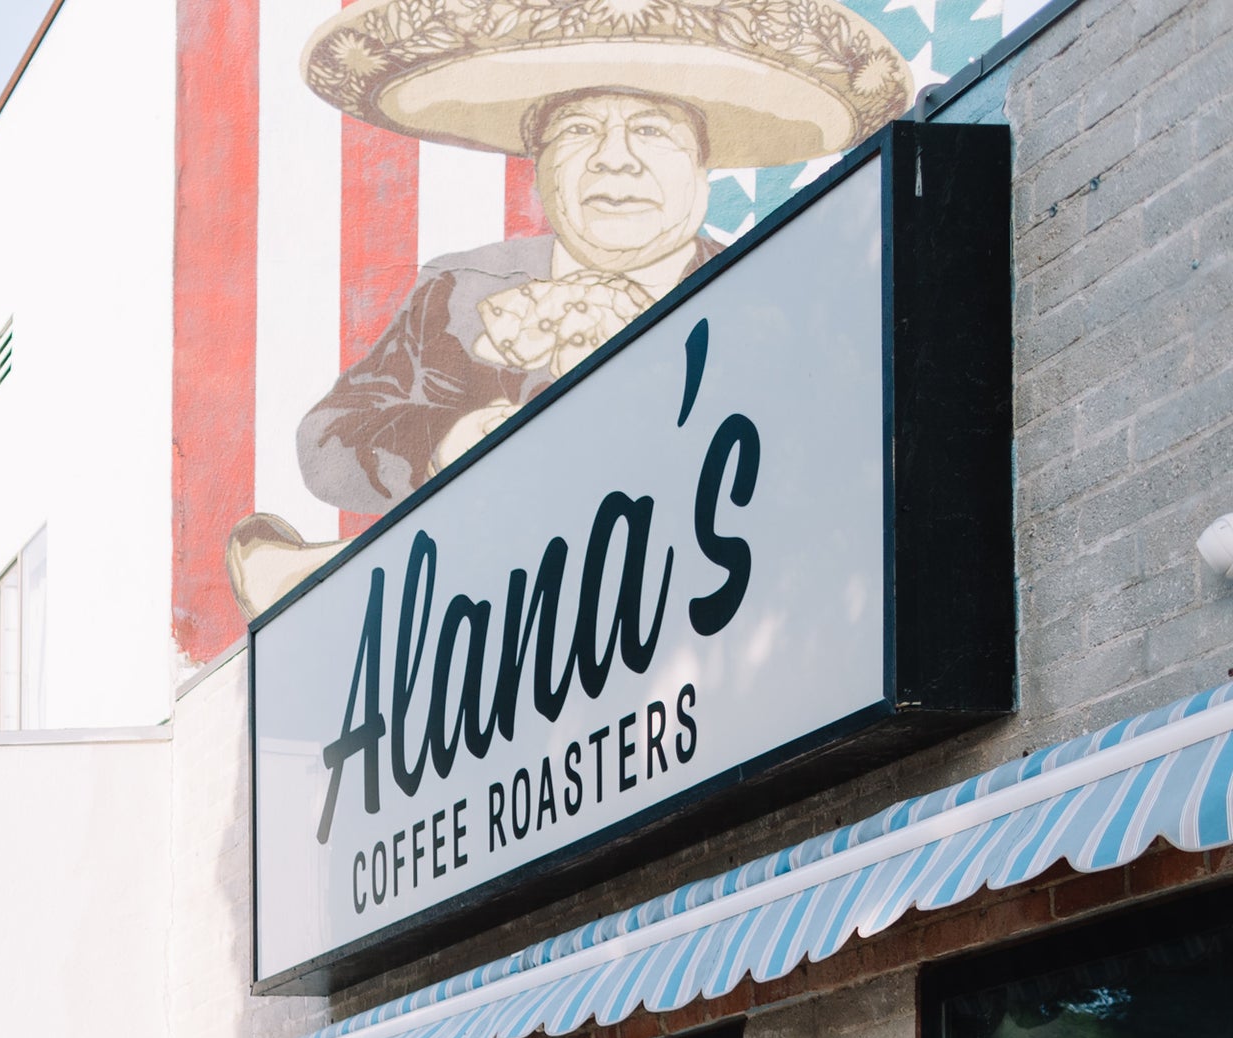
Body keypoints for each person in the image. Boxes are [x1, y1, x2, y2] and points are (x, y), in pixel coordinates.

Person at [223, 0, 909, 608]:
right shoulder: (458, 289)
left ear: (703, 165)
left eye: (652, 131)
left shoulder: (771, 298)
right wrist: (440, 443)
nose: (616, 159)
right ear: (538, 165)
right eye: (579, 131)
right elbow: (327, 439)